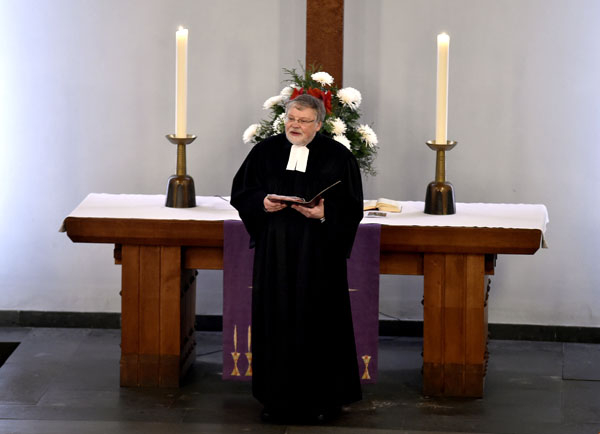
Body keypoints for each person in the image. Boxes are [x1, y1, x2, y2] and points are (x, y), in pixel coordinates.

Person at [231, 94, 364, 423]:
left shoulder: (338, 157)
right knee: (275, 320)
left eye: (304, 121)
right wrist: (263, 203)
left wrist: (324, 212)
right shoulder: (265, 151)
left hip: (319, 257)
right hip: (275, 253)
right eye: (292, 118)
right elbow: (241, 192)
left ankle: (323, 401)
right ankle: (274, 399)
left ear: (318, 125)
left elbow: (352, 206)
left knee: (319, 323)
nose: (296, 125)